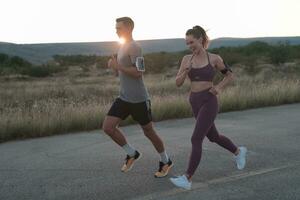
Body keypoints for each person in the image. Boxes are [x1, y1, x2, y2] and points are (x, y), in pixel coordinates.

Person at [170, 26, 247, 190]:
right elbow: (177, 83)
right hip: (194, 101)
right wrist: (185, 71)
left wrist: (219, 87)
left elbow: (230, 75)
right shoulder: (186, 59)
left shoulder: (214, 58)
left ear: (200, 39)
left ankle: (187, 178)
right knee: (213, 136)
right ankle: (238, 151)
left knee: (196, 138)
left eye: (192, 42)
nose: (189, 45)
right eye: (187, 43)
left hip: (209, 100)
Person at [102, 17, 173, 178]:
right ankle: (132, 153)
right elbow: (121, 72)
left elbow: (139, 72)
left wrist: (118, 66)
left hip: (139, 99)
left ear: (128, 28)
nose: (116, 30)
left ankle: (166, 160)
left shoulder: (135, 47)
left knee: (149, 132)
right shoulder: (121, 46)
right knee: (108, 127)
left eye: (119, 28)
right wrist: (114, 67)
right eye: (116, 27)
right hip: (124, 98)